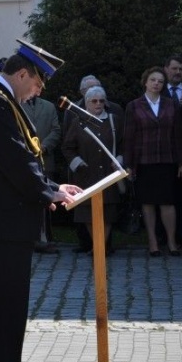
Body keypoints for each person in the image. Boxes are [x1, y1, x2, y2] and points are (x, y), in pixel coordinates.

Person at [0, 40, 81, 362]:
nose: (39, 90)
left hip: (12, 221)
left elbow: (24, 158)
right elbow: (13, 160)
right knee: (5, 309)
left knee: (12, 309)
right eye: (37, 82)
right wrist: (48, 191)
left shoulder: (5, 102)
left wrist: (53, 187)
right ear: (21, 73)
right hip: (4, 222)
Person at [123, 66, 182, 256]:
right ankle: (153, 243)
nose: (156, 84)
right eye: (153, 80)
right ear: (145, 82)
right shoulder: (134, 106)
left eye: (160, 81)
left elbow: (178, 136)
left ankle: (172, 242)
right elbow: (129, 138)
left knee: (168, 202)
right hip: (144, 161)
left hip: (167, 160)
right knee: (148, 203)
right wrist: (129, 165)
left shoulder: (171, 104)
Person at [61, 85, 124, 253]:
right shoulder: (78, 122)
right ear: (86, 103)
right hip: (86, 174)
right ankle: (99, 247)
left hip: (109, 175)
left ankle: (100, 248)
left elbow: (124, 144)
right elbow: (67, 147)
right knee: (87, 212)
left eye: (101, 101)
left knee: (109, 212)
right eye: (94, 101)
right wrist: (77, 162)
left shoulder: (113, 120)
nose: (98, 104)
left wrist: (119, 159)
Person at [21, 96, 62, 253]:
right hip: (26, 158)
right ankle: (31, 238)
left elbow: (56, 130)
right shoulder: (18, 105)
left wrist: (44, 147)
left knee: (47, 199)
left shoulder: (49, 106)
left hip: (45, 158)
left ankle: (45, 238)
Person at [164, 55, 182, 244]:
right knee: (166, 194)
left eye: (181, 69)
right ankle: (164, 236)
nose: (178, 72)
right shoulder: (156, 90)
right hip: (163, 152)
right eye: (174, 69)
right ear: (166, 69)